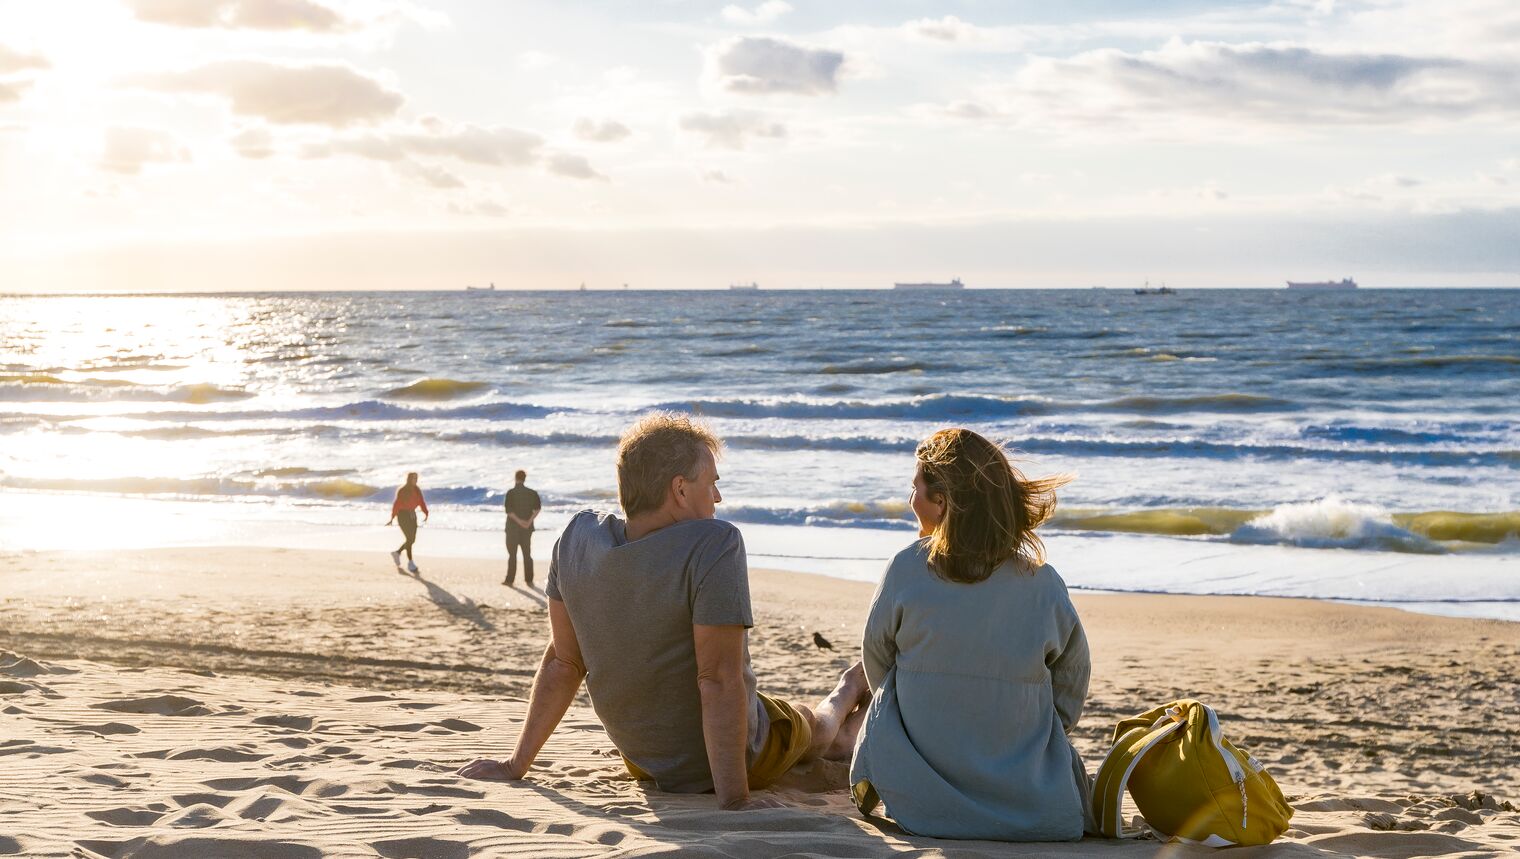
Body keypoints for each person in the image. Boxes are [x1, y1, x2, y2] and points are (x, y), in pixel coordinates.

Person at [460, 413, 871, 809]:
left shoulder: (575, 540)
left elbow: (563, 663)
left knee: (785, 719)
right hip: (731, 758)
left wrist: (516, 765)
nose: (717, 497)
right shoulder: (714, 544)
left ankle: (851, 695)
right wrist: (734, 801)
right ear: (679, 490)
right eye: (711, 484)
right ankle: (849, 688)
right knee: (817, 734)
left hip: (645, 760)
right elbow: (718, 679)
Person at [850, 428, 1091, 841]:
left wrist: (910, 719)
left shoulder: (906, 569)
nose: (911, 500)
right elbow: (1073, 677)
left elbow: (876, 660)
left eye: (916, 489)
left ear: (942, 503)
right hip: (1029, 802)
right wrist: (1035, 732)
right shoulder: (1043, 583)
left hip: (919, 797)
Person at [503, 469, 542, 587]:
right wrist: (528, 522)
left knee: (512, 555)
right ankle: (529, 580)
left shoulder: (511, 492)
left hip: (512, 528)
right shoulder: (532, 492)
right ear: (525, 478)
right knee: (527, 554)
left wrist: (520, 522)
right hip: (527, 528)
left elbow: (509, 511)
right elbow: (537, 509)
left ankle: (510, 580)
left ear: (515, 478)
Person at [387, 472, 428, 574]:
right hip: (402, 516)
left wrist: (426, 513)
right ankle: (411, 563)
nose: (416, 480)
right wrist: (392, 518)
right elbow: (396, 505)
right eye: (414, 478)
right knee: (409, 539)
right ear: (409, 479)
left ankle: (397, 553)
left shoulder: (417, 490)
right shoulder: (403, 490)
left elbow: (421, 502)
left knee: (412, 539)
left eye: (416, 478)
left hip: (412, 516)